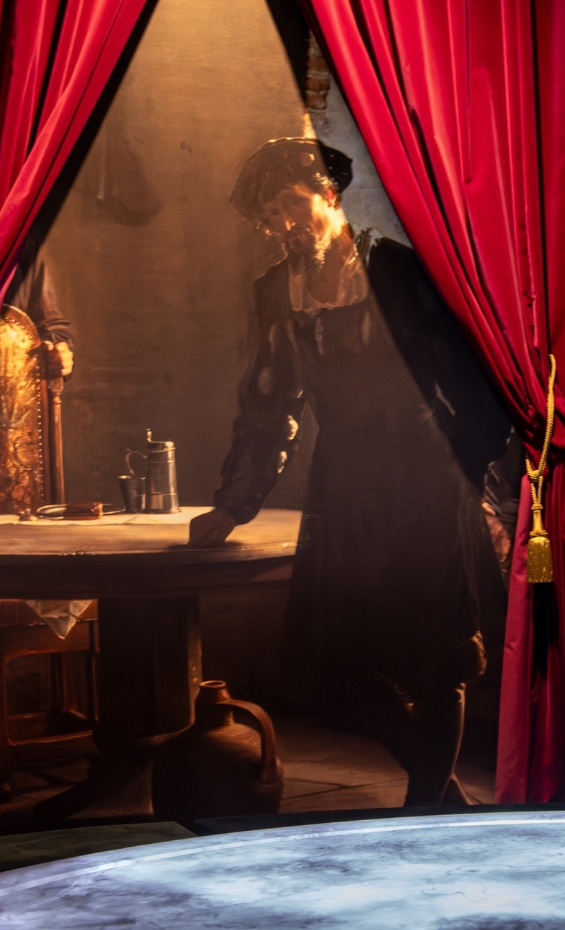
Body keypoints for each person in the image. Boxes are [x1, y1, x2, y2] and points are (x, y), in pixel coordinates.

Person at [188, 138, 510, 806]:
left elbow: (473, 384)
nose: (283, 224)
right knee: (325, 667)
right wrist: (235, 502)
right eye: (269, 216)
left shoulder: (397, 270)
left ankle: (424, 807)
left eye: (290, 204)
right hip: (340, 489)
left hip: (424, 483)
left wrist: (462, 470)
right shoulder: (277, 291)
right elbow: (269, 404)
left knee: (437, 660)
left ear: (329, 195)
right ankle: (442, 794)